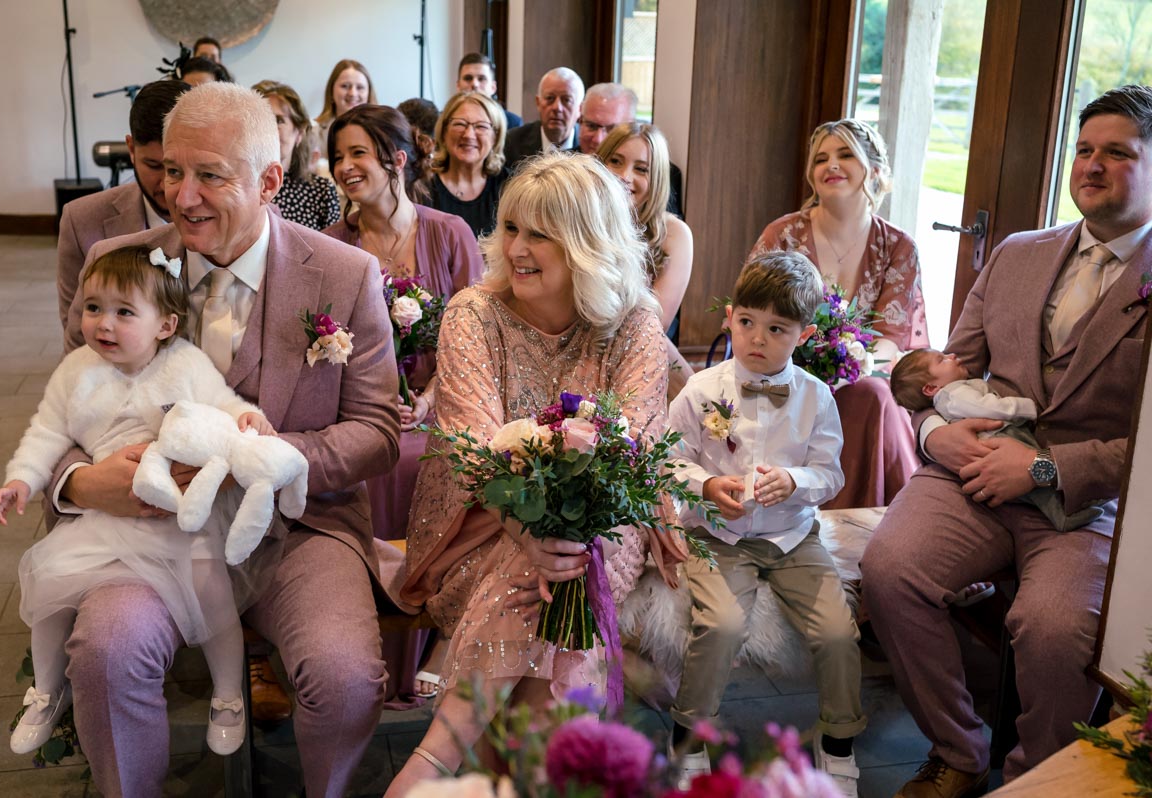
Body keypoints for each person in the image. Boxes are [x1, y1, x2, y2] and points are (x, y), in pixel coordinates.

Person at [57, 81, 400, 797]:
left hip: (299, 528)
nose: (182, 197)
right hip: (148, 531)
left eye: (209, 175)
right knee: (105, 654)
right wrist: (81, 482)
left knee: (344, 675)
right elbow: (63, 410)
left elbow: (377, 431)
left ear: (271, 180)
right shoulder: (120, 266)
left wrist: (274, 458)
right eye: (172, 171)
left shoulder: (344, 274)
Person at [861, 84, 1152, 797]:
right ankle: (957, 751)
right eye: (1085, 150)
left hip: (1092, 503)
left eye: (1118, 153)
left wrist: (1047, 467)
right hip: (976, 475)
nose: (1092, 165)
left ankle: (1039, 783)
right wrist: (936, 437)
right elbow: (941, 373)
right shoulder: (1019, 253)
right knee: (890, 569)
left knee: (1054, 631)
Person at [386, 152, 687, 795]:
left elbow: (626, 454)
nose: (516, 248)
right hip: (479, 525)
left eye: (540, 234)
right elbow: (473, 452)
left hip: (603, 530)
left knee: (563, 574)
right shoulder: (474, 313)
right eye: (512, 228)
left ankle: (435, 757)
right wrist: (532, 540)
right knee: (541, 596)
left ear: (587, 244)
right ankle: (523, 764)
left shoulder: (633, 324)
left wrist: (556, 542)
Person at [0, 245, 272, 758]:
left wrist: (247, 421)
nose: (103, 323)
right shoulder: (76, 371)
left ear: (165, 325)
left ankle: (229, 695)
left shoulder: (185, 364)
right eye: (94, 308)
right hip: (107, 514)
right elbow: (47, 433)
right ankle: (47, 692)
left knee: (213, 594)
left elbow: (225, 405)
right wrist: (22, 481)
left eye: (124, 312)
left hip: (177, 517)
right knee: (50, 591)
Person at [667, 250, 860, 796]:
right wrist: (705, 485)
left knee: (839, 631)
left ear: (802, 333)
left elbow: (831, 473)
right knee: (723, 624)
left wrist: (797, 482)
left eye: (776, 328)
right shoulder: (703, 391)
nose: (757, 338)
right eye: (747, 322)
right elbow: (665, 457)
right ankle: (687, 735)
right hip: (718, 535)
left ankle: (839, 741)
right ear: (730, 317)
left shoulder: (817, 398)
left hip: (793, 537)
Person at [323, 104, 484, 705]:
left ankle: (439, 645)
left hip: (447, 402)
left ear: (396, 158)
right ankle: (366, 658)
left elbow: (475, 331)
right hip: (365, 408)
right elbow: (325, 344)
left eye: (357, 153)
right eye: (338, 156)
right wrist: (375, 401)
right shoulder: (334, 245)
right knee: (372, 462)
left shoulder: (449, 233)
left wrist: (434, 394)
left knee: (432, 461)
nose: (344, 167)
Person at [751, 118, 930, 509]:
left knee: (870, 393)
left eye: (845, 154)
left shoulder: (898, 246)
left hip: (862, 378)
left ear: (877, 172)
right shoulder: (782, 235)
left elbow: (890, 338)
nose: (831, 165)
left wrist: (849, 366)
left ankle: (859, 520)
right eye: (821, 159)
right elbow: (754, 314)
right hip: (784, 368)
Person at [890, 349, 1105, 532]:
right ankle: (1064, 515)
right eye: (942, 359)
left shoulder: (951, 390)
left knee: (1038, 476)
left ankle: (1075, 493)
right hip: (1000, 439)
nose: (953, 354)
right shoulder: (954, 394)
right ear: (929, 388)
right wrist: (1027, 408)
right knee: (1038, 485)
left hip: (1027, 447)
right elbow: (989, 408)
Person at [58, 80, 190, 337]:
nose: (166, 184)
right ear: (130, 149)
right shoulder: (81, 220)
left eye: (176, 169)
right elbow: (78, 335)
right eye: (153, 165)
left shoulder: (218, 217)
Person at [596, 122, 693, 395]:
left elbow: (654, 323)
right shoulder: (579, 225)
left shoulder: (674, 234)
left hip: (643, 360)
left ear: (658, 177)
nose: (624, 176)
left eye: (641, 169)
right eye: (615, 161)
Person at [576, 83, 684, 216]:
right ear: (580, 120)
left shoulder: (663, 172)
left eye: (613, 129)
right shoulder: (561, 163)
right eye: (591, 126)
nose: (599, 139)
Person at [253, 80, 340, 230]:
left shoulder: (322, 192)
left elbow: (334, 251)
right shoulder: (237, 187)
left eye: (278, 120)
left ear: (299, 133)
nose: (268, 127)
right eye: (262, 119)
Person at [428, 91, 509, 237]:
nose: (469, 135)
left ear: (495, 137)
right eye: (460, 124)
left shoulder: (509, 186)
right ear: (444, 132)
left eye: (481, 126)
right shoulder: (422, 187)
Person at [503, 67, 583, 164]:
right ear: (538, 103)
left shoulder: (588, 146)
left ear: (580, 108)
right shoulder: (512, 142)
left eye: (566, 100)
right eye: (550, 98)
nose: (557, 108)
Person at [314, 59, 377, 156]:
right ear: (331, 91)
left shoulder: (381, 132)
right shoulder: (314, 133)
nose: (353, 93)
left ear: (369, 94)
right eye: (345, 86)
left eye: (360, 87)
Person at [457, 52, 522, 130]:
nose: (475, 84)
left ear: (493, 87)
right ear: (458, 86)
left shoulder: (512, 123)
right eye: (468, 78)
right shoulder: (445, 120)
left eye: (481, 79)